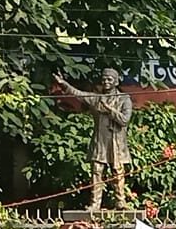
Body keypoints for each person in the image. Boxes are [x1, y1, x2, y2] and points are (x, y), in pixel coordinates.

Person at [53, 69, 133, 210]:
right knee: (96, 171)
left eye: (109, 79)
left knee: (117, 171)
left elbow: (125, 120)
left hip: (116, 142)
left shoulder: (124, 99)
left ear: (116, 81)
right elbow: (79, 94)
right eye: (104, 79)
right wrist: (64, 84)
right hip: (100, 140)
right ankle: (95, 204)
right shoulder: (97, 98)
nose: (106, 82)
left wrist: (110, 110)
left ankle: (121, 202)